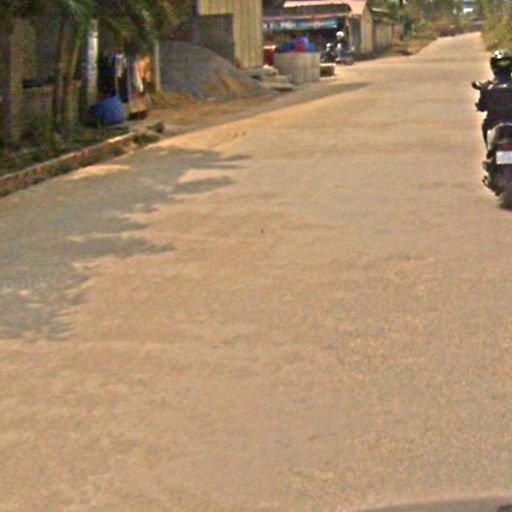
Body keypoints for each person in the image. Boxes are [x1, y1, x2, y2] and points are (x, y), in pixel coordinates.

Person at [476, 49, 512, 147]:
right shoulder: (487, 86)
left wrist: (479, 106)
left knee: (485, 127)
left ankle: (490, 150)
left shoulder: (488, 87)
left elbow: (482, 106)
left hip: (493, 122)